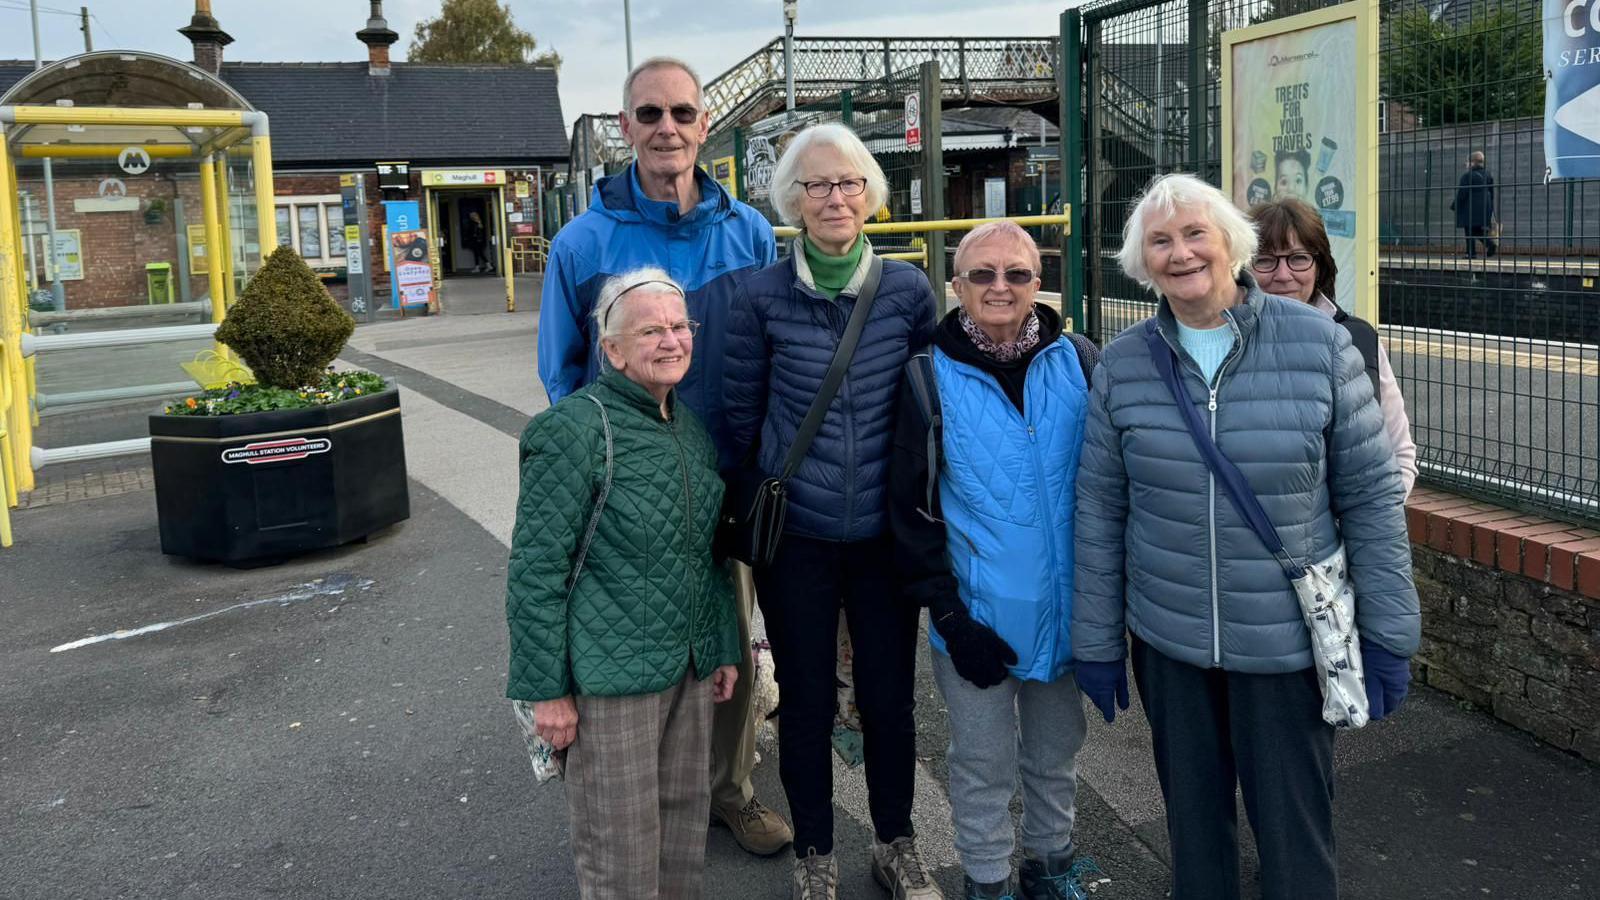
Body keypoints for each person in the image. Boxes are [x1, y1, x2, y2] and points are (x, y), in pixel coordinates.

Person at [1072, 174, 1420, 900]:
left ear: (1232, 242)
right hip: (1172, 646)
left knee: (1296, 839)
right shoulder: (1125, 365)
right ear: (1141, 261)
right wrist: (1098, 641)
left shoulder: (1320, 345)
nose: (1181, 252)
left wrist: (1390, 631)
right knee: (1195, 843)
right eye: (1160, 241)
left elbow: (1371, 498)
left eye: (1195, 232)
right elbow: (1101, 509)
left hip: (1285, 646)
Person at [535, 56, 791, 857]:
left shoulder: (747, 230)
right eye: (649, 114)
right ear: (625, 127)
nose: (667, 128)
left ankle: (730, 790)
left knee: (731, 646)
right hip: (630, 487)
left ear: (705, 125)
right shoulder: (584, 241)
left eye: (682, 112)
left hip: (726, 478)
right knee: (638, 642)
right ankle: (641, 797)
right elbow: (562, 370)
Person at [725, 122, 940, 900]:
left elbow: (928, 414)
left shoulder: (910, 291)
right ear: (792, 200)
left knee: (889, 699)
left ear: (871, 195)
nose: (834, 197)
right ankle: (816, 854)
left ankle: (896, 841)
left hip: (885, 536)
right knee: (808, 703)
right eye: (816, 185)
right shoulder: (761, 297)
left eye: (848, 182)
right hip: (801, 539)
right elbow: (742, 420)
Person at [506, 270, 741, 899]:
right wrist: (545, 693)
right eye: (650, 331)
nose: (671, 341)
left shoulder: (687, 427)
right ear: (611, 351)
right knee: (622, 854)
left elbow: (705, 554)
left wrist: (719, 645)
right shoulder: (574, 431)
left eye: (679, 327)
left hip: (687, 671)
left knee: (683, 835)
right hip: (608, 682)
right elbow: (534, 574)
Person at [889, 221, 1102, 900]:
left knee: (1056, 752)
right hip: (977, 619)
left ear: (1040, 283)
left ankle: (1050, 865)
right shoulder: (926, 378)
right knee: (983, 763)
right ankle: (986, 881)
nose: (1000, 287)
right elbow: (913, 512)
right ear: (956, 287)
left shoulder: (1083, 363)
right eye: (981, 274)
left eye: (1017, 273)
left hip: (1066, 615)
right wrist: (950, 616)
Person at [1248, 197, 1418, 496]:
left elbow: (1398, 453)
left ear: (1320, 265)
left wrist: (1369, 526)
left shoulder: (1357, 339)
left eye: (1298, 258)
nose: (1283, 274)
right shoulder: (1226, 340)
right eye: (1265, 260)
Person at [1452, 150, 1497, 259]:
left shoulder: (1467, 176)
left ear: (1473, 163)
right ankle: (1490, 244)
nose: (1466, 164)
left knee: (1469, 230)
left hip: (1470, 208)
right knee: (1477, 230)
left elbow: (1462, 193)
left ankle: (1471, 253)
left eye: (1467, 162)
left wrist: (1455, 205)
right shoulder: (1488, 174)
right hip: (1485, 207)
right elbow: (1491, 192)